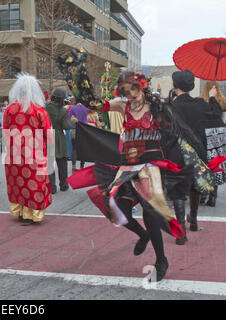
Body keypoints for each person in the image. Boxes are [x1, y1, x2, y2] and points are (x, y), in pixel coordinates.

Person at [72, 72, 205, 282]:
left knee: (150, 213)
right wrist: (77, 74)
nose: (130, 94)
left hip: (150, 166)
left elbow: (175, 134)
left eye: (133, 89)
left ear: (142, 87)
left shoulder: (157, 107)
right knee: (115, 207)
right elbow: (94, 104)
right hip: (127, 166)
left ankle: (161, 260)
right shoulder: (121, 106)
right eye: (126, 90)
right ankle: (142, 235)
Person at [171, 70, 225, 225]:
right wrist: (213, 97)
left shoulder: (171, 106)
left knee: (179, 189)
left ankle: (180, 229)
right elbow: (216, 116)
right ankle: (193, 220)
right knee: (195, 185)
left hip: (177, 151)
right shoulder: (201, 104)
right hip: (198, 150)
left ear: (175, 85)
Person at [3, 73, 53, 226]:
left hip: (14, 154)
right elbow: (48, 134)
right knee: (34, 183)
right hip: (35, 154)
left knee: (17, 183)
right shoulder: (39, 110)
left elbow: (5, 132)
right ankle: (31, 214)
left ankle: (20, 212)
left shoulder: (9, 110)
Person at [45, 88, 77, 194]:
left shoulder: (45, 107)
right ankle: (63, 185)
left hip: (47, 136)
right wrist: (73, 120)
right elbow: (66, 125)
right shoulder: (63, 110)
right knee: (62, 162)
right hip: (59, 137)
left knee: (49, 163)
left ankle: (51, 188)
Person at [199, 80, 226, 207]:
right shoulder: (222, 101)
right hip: (219, 137)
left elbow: (210, 114)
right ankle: (213, 196)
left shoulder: (201, 101)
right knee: (216, 164)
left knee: (204, 163)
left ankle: (204, 193)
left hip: (205, 135)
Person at [67, 97, 89, 172]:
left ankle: (73, 166)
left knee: (74, 148)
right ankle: (82, 166)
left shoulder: (72, 108)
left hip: (74, 129)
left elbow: (69, 118)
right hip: (83, 130)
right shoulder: (86, 108)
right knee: (83, 148)